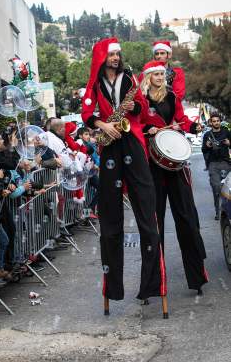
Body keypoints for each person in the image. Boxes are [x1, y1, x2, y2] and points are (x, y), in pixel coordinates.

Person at [81, 38, 167, 315]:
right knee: (110, 218)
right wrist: (104, 123)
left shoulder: (130, 78)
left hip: (132, 141)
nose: (117, 57)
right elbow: (87, 113)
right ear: (102, 56)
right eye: (112, 54)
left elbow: (142, 106)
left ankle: (153, 285)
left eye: (118, 53)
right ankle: (113, 288)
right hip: (109, 143)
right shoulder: (94, 85)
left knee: (147, 212)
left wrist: (134, 108)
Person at [141, 60, 208, 294]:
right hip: (152, 167)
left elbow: (181, 119)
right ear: (148, 77)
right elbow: (134, 126)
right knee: (154, 225)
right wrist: (145, 130)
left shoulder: (172, 98)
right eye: (156, 74)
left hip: (175, 167)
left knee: (187, 220)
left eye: (162, 74)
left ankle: (197, 277)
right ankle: (152, 285)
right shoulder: (141, 101)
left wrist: (189, 127)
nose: (161, 77)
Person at [202, 113, 231, 220]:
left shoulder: (226, 132)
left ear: (220, 121)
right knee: (216, 187)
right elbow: (203, 150)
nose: (216, 123)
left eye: (217, 121)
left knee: (228, 188)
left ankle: (227, 209)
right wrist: (207, 146)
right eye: (214, 121)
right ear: (211, 122)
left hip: (226, 163)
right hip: (213, 164)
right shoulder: (207, 135)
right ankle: (218, 212)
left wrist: (229, 143)